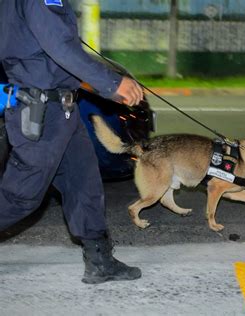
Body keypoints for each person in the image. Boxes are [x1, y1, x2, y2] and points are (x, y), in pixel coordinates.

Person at [0, 0, 144, 284]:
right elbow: (60, 47)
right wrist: (112, 83)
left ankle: (99, 261)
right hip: (42, 112)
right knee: (22, 197)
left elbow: (55, 54)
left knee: (84, 183)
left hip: (61, 108)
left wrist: (105, 86)